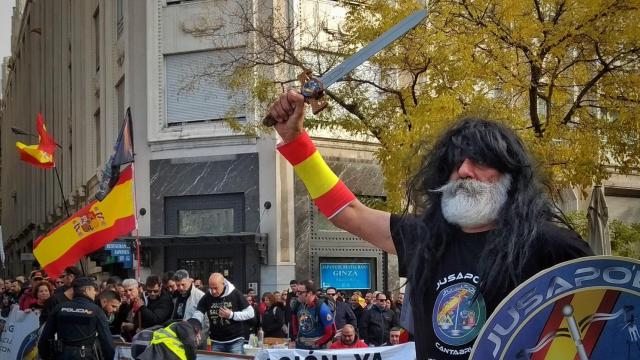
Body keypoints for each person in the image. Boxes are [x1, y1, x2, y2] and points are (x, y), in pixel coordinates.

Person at [267, 92, 593, 359]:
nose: (464, 171)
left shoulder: (551, 245)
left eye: (480, 161)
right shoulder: (425, 237)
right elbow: (347, 211)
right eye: (455, 163)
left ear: (510, 175)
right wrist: (294, 139)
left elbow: (595, 331)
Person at [38, 277, 114, 360]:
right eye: (93, 290)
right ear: (87, 290)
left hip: (61, 355)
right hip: (84, 355)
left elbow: (44, 339)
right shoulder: (96, 311)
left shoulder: (59, 308)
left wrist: (47, 356)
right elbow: (107, 342)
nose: (95, 293)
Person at [193, 273, 254, 354]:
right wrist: (194, 325)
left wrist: (232, 315)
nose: (213, 291)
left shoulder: (235, 293)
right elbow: (199, 312)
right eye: (211, 288)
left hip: (235, 340)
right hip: (216, 341)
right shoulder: (207, 296)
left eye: (216, 288)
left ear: (223, 284)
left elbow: (251, 313)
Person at [290, 280, 335, 350]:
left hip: (318, 348)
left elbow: (331, 332)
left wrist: (317, 343)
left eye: (300, 292)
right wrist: (295, 339)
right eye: (297, 292)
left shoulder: (322, 308)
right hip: (301, 345)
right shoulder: (298, 304)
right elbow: (294, 322)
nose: (297, 294)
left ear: (309, 293)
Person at [136, 318, 202, 360]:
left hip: (153, 355)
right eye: (199, 334)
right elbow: (189, 345)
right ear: (196, 329)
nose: (199, 337)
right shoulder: (186, 325)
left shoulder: (171, 326)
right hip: (167, 355)